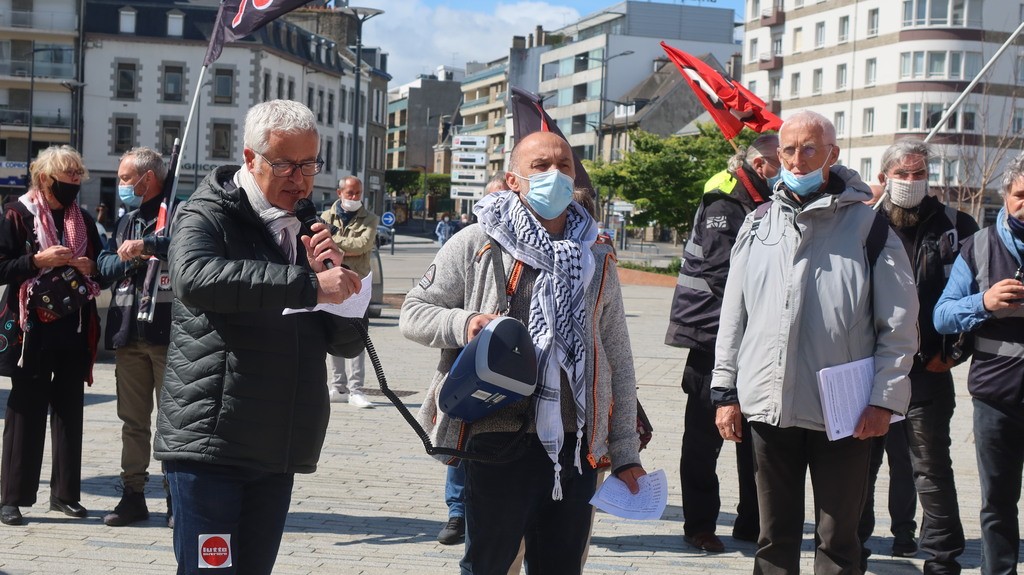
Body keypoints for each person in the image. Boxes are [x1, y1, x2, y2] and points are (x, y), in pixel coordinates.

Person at [402, 131, 646, 575]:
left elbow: (617, 354)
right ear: (514, 179)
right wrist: (467, 322)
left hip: (575, 445)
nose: (555, 175)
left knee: (560, 566)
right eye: (541, 166)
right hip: (496, 435)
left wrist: (625, 449)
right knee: (488, 565)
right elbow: (413, 312)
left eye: (565, 166)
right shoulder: (477, 241)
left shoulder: (596, 254)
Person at [153, 100, 365, 574]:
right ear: (250, 158)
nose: (300, 179)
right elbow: (195, 277)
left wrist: (341, 292)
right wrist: (309, 285)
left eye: (309, 164)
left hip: (276, 447)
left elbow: (348, 346)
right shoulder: (205, 213)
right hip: (212, 444)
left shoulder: (308, 226)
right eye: (285, 164)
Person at [712, 110, 919, 575]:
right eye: (789, 149)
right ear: (777, 154)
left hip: (844, 413)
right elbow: (734, 317)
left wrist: (883, 400)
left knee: (839, 539)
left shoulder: (870, 229)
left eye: (810, 148)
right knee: (772, 538)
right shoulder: (759, 224)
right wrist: (725, 392)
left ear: (833, 155)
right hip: (770, 406)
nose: (798, 160)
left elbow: (899, 327)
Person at [862, 139, 976, 573]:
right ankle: (852, 547)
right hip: (868, 369)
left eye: (919, 174)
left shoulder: (956, 225)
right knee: (861, 466)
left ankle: (943, 559)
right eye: (902, 174)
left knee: (930, 465)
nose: (911, 182)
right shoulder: (863, 224)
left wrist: (953, 353)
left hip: (927, 368)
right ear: (883, 177)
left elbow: (975, 296)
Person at [665, 134, 778, 552]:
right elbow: (720, 273)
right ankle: (699, 524)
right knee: (703, 439)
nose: (784, 168)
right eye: (777, 160)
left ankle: (751, 523)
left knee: (756, 438)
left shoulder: (771, 201)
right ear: (759, 163)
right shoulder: (724, 201)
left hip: (757, 342)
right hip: (712, 338)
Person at [0, 145, 107, 526]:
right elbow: (3, 266)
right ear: (46, 178)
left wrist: (90, 264)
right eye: (68, 174)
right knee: (24, 411)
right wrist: (37, 261)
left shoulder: (83, 220)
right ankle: (11, 498)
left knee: (68, 412)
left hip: (74, 327)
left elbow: (102, 268)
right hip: (32, 330)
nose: (75, 181)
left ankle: (64, 495)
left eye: (79, 174)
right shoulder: (18, 213)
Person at [934, 150, 1024, 575]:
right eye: (1022, 195)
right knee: (998, 501)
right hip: (996, 396)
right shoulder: (979, 246)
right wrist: (983, 302)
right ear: (1006, 194)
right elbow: (942, 315)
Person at [97, 147, 176, 527]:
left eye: (127, 178)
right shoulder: (126, 220)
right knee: (133, 421)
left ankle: (177, 497)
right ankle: (133, 494)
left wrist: (150, 246)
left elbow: (183, 250)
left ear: (149, 178)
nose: (121, 185)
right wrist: (130, 257)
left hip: (169, 333)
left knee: (173, 422)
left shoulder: (177, 212)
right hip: (129, 331)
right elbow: (105, 266)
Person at [436, 173, 511, 547]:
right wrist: (465, 322)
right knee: (461, 441)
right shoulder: (468, 243)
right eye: (491, 200)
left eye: (505, 198)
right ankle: (456, 512)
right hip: (470, 368)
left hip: (515, 378)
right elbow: (423, 309)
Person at [321, 175, 378, 408]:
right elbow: (321, 245)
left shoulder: (370, 218)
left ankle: (356, 389)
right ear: (339, 193)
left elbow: (363, 244)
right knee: (334, 333)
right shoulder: (326, 217)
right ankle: (338, 387)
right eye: (350, 193)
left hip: (358, 284)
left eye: (358, 193)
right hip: (333, 281)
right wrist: (340, 248)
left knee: (357, 336)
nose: (354, 198)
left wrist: (335, 244)